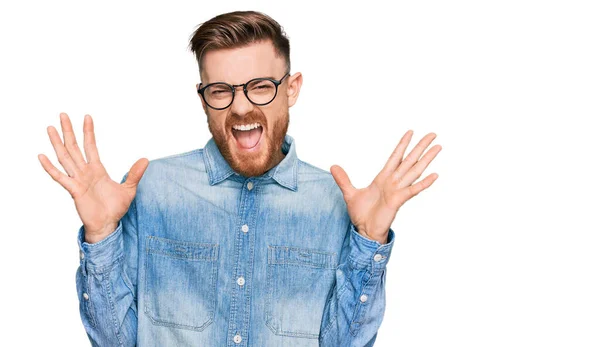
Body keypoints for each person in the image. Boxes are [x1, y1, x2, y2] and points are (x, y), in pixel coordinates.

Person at [38, 10, 442, 347]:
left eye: (260, 87)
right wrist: (101, 236)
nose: (241, 107)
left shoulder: (337, 203)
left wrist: (368, 241)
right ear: (203, 99)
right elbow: (113, 341)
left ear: (292, 89)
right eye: (221, 91)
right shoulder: (151, 190)